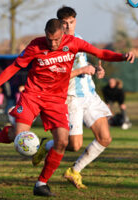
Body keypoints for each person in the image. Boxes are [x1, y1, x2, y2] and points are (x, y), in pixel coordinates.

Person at [0, 18, 134, 197]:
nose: (52, 43)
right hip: (32, 96)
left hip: (56, 100)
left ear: (63, 34)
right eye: (49, 39)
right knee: (20, 137)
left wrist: (122, 57)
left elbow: (100, 53)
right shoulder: (35, 46)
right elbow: (13, 67)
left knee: (62, 141)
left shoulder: (73, 43)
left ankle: (41, 184)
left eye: (56, 40)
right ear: (45, 33)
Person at [32, 6, 115, 189]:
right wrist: (82, 70)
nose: (69, 26)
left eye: (71, 22)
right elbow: (55, 75)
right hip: (71, 98)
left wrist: (97, 69)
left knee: (105, 138)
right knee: (73, 145)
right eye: (64, 23)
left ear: (75, 21)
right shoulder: (55, 46)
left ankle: (74, 171)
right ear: (59, 25)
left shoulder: (80, 40)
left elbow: (88, 59)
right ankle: (46, 145)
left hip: (89, 95)